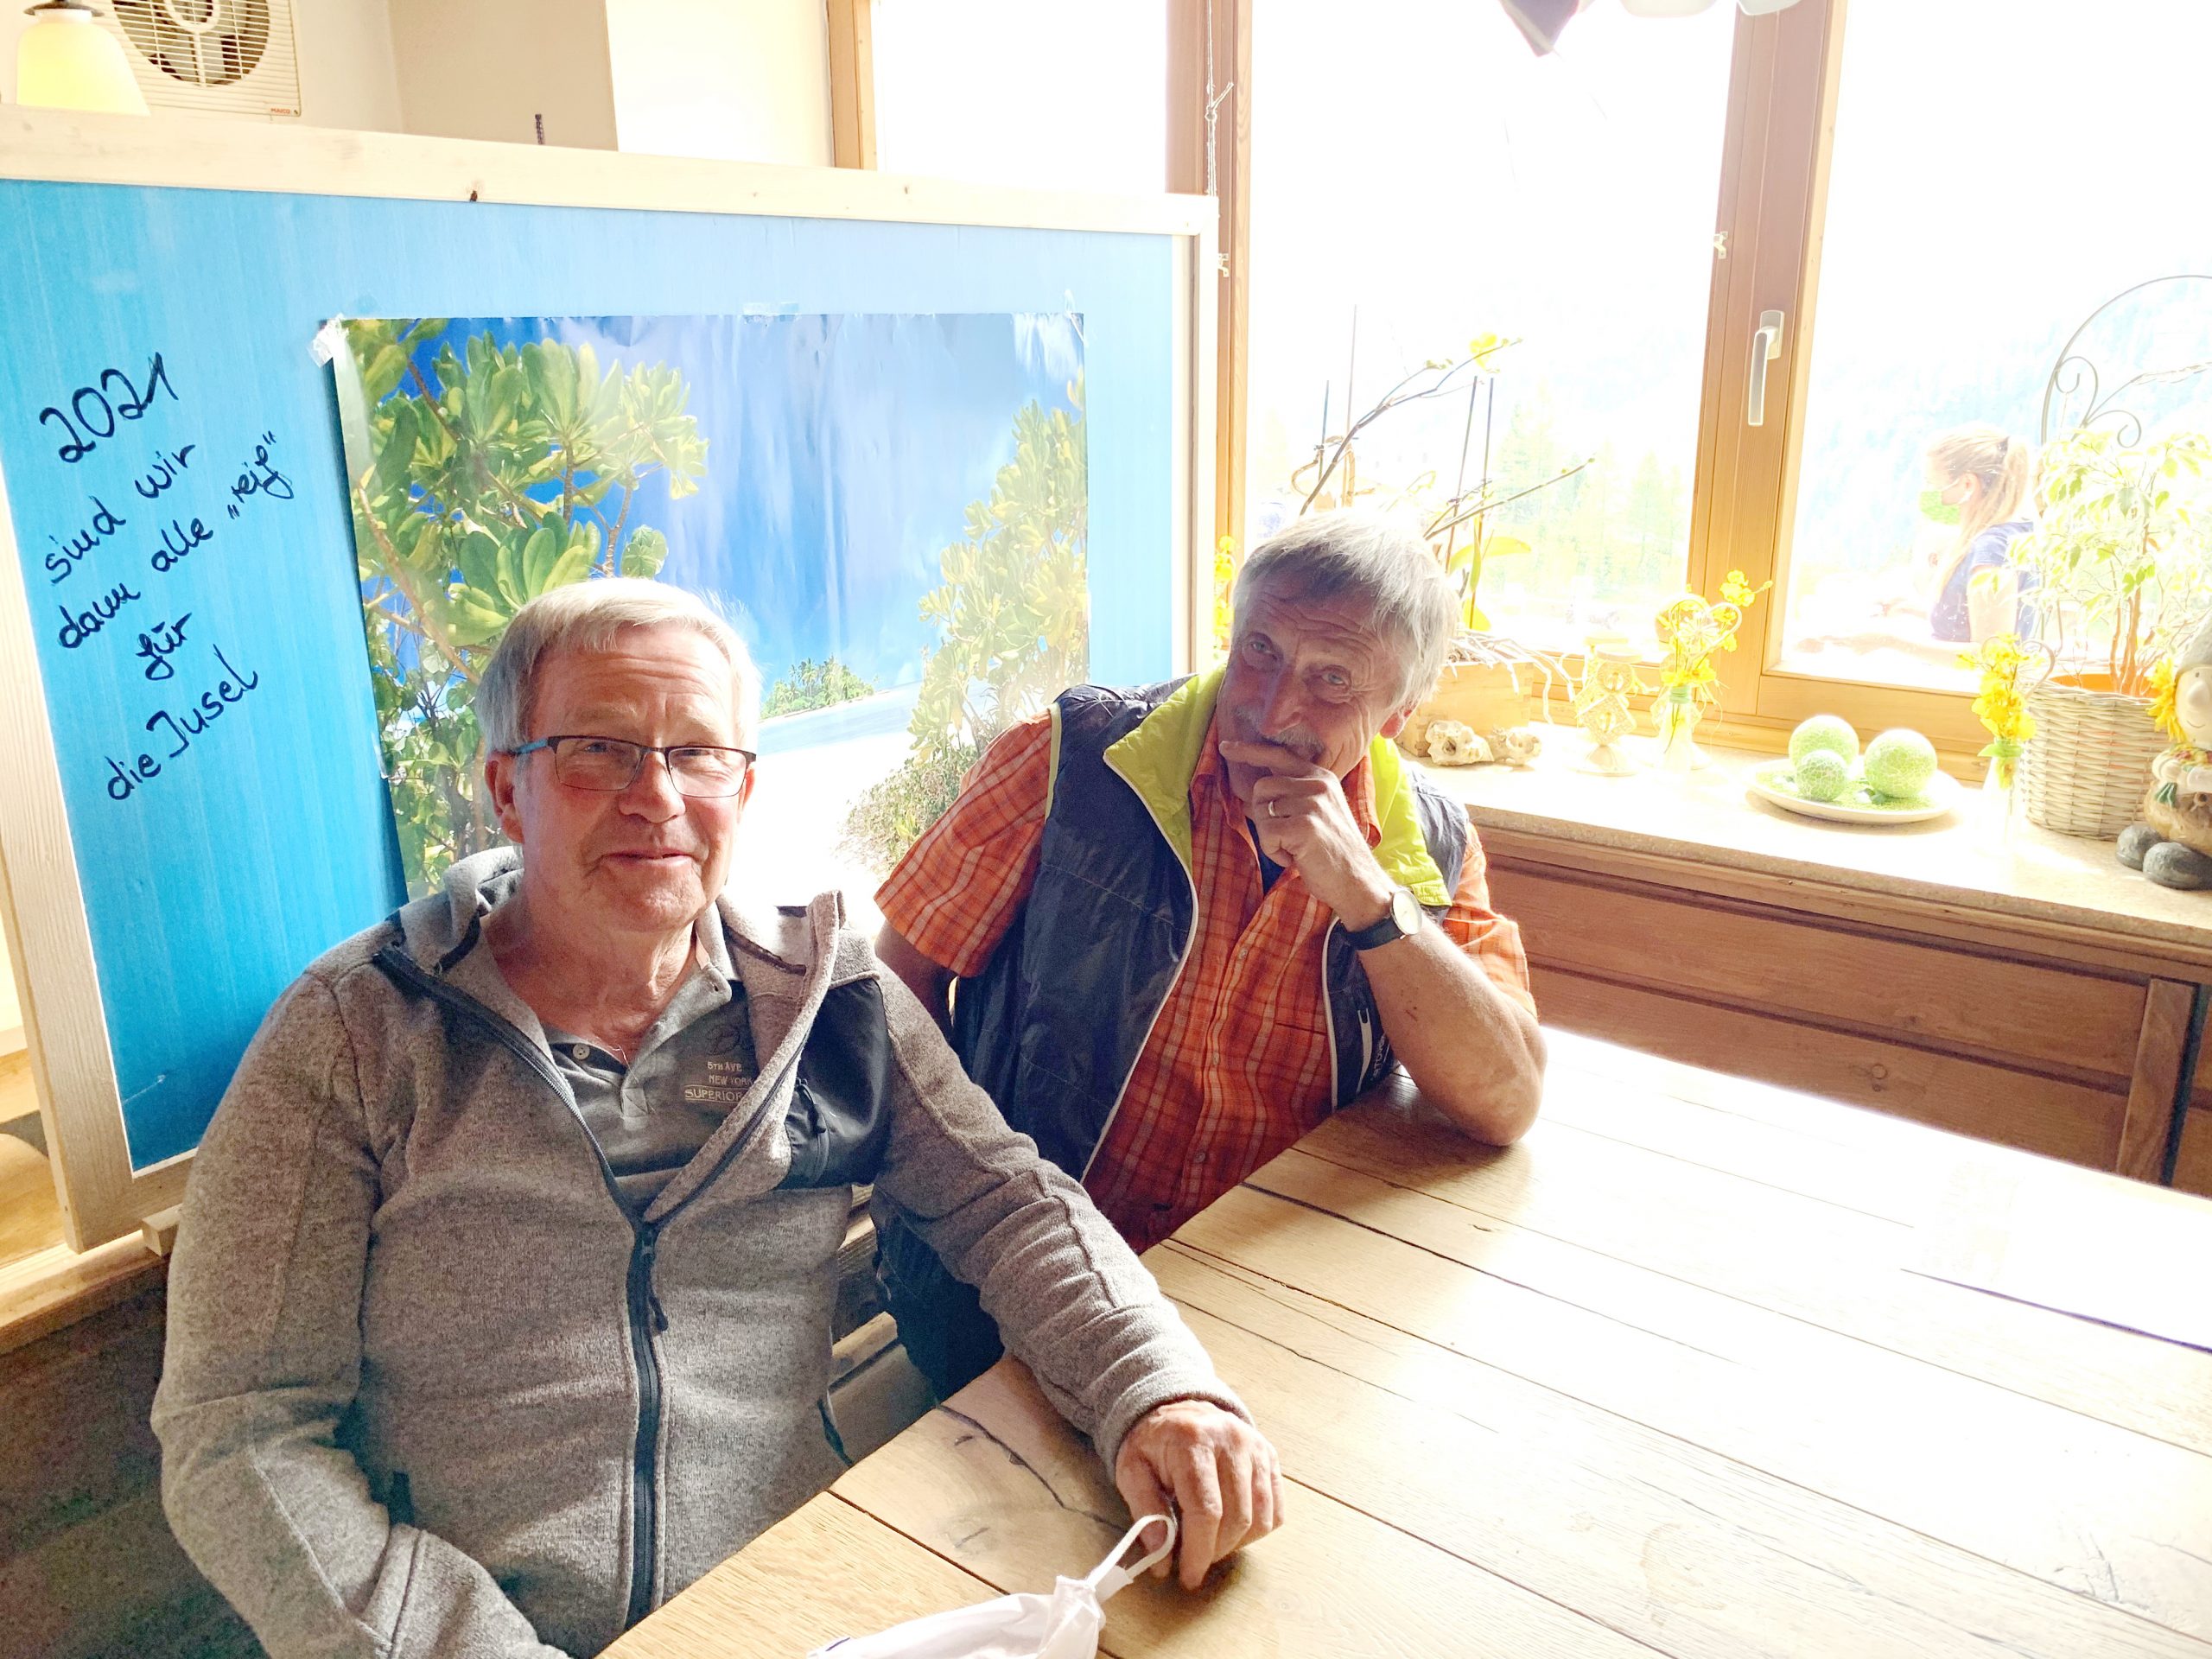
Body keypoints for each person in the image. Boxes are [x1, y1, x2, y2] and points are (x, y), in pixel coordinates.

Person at [153, 580, 1281, 1659]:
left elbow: (1007, 1203)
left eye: (697, 752)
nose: (657, 796)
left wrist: (1157, 1385)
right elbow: (240, 1429)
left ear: (742, 787)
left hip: (795, 1603)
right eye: (598, 750)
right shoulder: (357, 1033)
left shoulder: (826, 1000)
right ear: (506, 788)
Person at [872, 510, 1544, 1397]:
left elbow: (1506, 1100)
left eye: (1332, 678)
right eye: (1260, 649)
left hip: (1267, 1308)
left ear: (1399, 715)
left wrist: (1367, 896)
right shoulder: (1071, 759)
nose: (1273, 707)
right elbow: (896, 982)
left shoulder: (1431, 844)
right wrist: (966, 1204)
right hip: (1019, 1291)